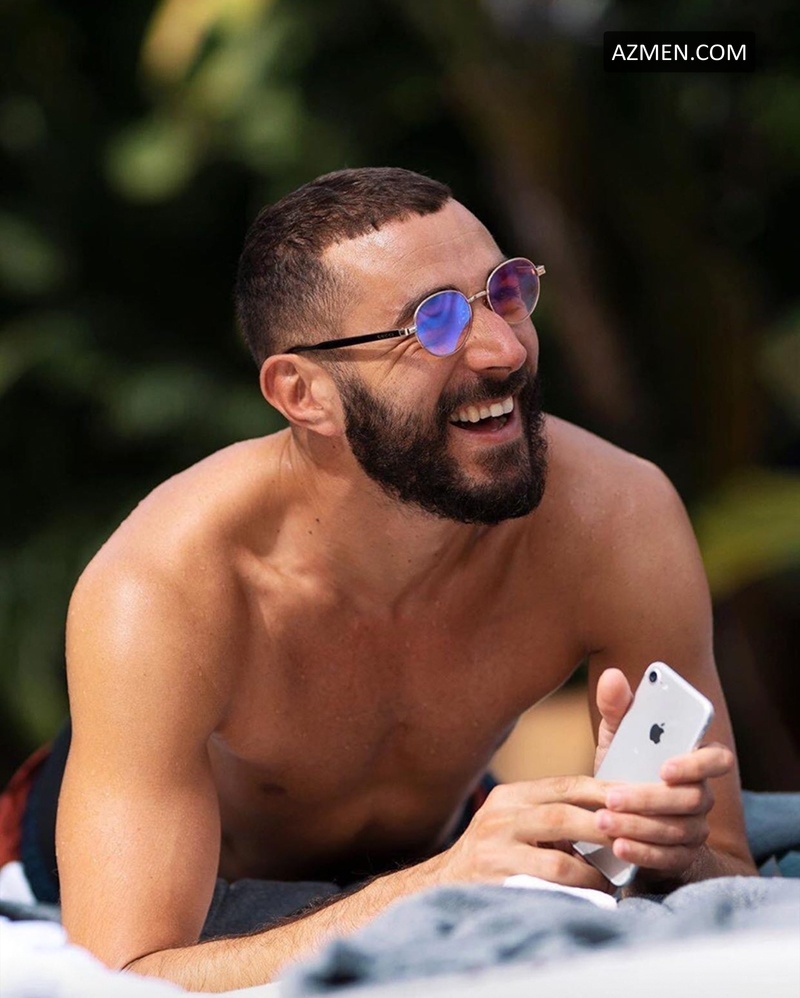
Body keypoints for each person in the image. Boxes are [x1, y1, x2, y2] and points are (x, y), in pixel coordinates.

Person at [44, 168, 756, 990]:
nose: (504, 349)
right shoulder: (165, 588)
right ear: (304, 393)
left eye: (506, 292)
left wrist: (664, 852)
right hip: (207, 899)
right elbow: (125, 974)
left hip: (452, 840)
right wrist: (434, 889)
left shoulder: (615, 515)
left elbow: (728, 872)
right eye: (434, 323)